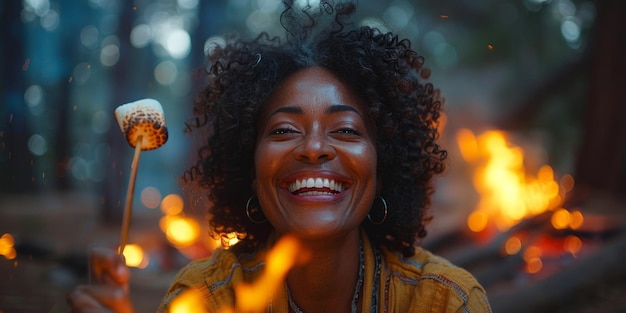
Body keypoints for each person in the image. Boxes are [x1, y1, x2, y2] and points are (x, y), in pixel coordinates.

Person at [67, 1, 492, 312]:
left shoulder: (442, 301)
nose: (312, 148)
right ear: (250, 172)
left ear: (382, 172)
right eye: (284, 130)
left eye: (345, 130)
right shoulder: (206, 299)